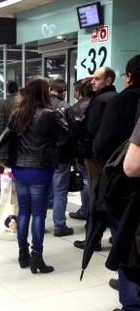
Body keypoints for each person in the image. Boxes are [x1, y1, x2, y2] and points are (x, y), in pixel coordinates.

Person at [93, 55, 140, 311]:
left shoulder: (119, 101)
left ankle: (131, 301)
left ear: (128, 77)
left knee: (127, 244)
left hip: (125, 190)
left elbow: (103, 145)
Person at [8, 78, 69, 273]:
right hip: (40, 168)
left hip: (19, 167)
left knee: (24, 212)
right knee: (39, 215)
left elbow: (10, 137)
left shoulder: (17, 112)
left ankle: (22, 254)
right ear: (44, 92)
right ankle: (37, 257)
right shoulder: (50, 114)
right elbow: (65, 136)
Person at [74, 66, 117, 251]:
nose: (92, 81)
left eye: (97, 79)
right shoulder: (119, 98)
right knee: (113, 197)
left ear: (108, 81)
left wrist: (85, 150)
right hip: (116, 157)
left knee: (96, 198)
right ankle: (116, 237)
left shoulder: (99, 101)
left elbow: (91, 130)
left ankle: (93, 240)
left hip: (96, 158)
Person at [48, 79, 74, 237]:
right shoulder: (66, 107)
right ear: (63, 91)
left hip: (42, 156)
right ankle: (59, 225)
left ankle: (39, 224)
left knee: (41, 190)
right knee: (60, 191)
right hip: (61, 155)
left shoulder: (39, 105)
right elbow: (72, 131)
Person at [69, 79, 94, 220]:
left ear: (79, 91)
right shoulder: (96, 104)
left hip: (82, 151)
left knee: (85, 180)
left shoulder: (76, 108)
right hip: (96, 150)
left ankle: (86, 210)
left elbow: (73, 133)